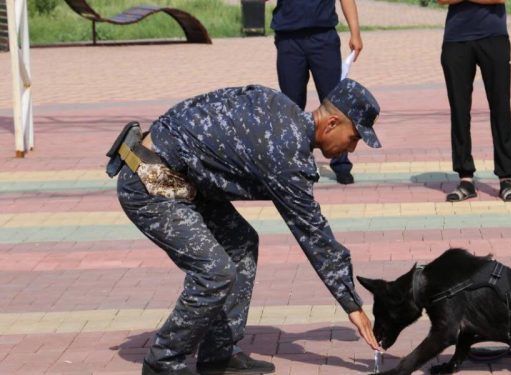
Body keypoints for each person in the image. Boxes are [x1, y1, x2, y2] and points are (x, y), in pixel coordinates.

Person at [108, 79, 381, 375]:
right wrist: (351, 303)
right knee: (214, 272)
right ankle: (164, 361)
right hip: (149, 181)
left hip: (184, 177)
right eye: (354, 137)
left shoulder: (282, 108)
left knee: (241, 242)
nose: (351, 149)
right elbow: (314, 234)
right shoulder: (287, 155)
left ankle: (218, 355)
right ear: (331, 123)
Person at [271, 0, 364, 185]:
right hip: (288, 38)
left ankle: (341, 163)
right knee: (291, 107)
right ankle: (295, 164)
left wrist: (355, 32)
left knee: (335, 105)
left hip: (324, 37)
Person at [437, 0, 511, 202]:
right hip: (456, 40)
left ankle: (505, 178)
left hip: (494, 37)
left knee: (501, 108)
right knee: (459, 111)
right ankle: (465, 178)